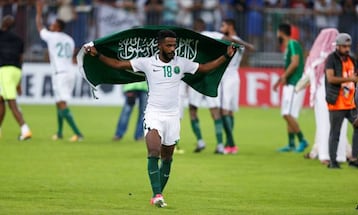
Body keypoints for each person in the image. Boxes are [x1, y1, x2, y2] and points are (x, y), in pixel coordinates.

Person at [84, 30, 236, 207]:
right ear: (159, 45)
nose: (173, 48)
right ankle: (157, 195)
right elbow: (118, 64)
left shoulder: (182, 63)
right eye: (169, 45)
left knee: (167, 159)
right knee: (153, 152)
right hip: (154, 114)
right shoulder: (147, 63)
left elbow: (204, 68)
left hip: (172, 117)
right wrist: (98, 55)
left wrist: (226, 56)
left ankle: (158, 193)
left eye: (174, 45)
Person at [191, 18, 253, 154]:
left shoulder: (224, 38)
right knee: (229, 111)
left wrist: (245, 45)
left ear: (230, 26)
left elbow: (227, 38)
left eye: (223, 25)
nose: (220, 27)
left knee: (224, 110)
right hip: (234, 76)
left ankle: (230, 143)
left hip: (226, 77)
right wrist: (247, 45)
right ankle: (227, 144)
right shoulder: (238, 40)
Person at [296, 28, 351, 165]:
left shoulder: (316, 57)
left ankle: (325, 155)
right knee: (340, 124)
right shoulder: (341, 56)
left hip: (322, 92)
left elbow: (307, 76)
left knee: (324, 124)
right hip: (340, 92)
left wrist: (297, 88)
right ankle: (339, 155)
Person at [36, 0, 83, 142]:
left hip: (60, 74)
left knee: (62, 104)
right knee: (58, 102)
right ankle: (60, 132)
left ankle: (78, 134)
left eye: (53, 24)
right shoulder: (69, 39)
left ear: (57, 27)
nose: (50, 25)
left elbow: (39, 27)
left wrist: (38, 11)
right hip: (69, 71)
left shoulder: (51, 36)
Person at [324, 33, 358, 169]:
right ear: (337, 46)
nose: (347, 49)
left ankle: (354, 158)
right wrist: (350, 79)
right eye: (344, 46)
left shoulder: (351, 59)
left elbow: (356, 76)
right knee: (335, 132)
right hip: (337, 102)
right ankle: (333, 161)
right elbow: (331, 78)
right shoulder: (331, 59)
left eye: (348, 46)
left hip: (351, 103)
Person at [273, 23, 308, 153]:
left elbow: (295, 63)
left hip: (295, 83)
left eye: (278, 33)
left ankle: (302, 140)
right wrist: (282, 79)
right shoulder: (288, 46)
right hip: (290, 83)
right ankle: (291, 144)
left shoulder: (292, 44)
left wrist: (283, 77)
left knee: (286, 114)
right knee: (289, 114)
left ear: (281, 32)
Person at [0, 15, 32, 140]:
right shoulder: (19, 39)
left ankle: (25, 130)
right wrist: (18, 81)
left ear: (4, 23)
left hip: (4, 70)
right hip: (16, 70)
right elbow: (20, 59)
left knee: (11, 102)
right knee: (1, 100)